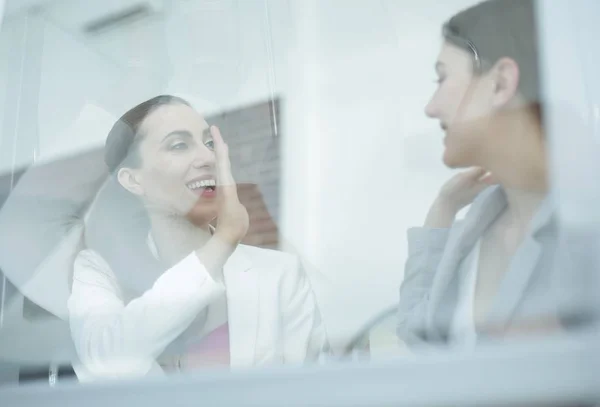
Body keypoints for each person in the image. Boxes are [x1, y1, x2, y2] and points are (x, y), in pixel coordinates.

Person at [67, 95, 325, 381]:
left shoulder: (281, 276)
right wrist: (224, 240)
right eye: (179, 145)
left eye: (209, 143)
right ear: (133, 180)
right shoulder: (99, 272)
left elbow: (314, 390)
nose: (206, 157)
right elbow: (107, 362)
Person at [397, 0, 585, 347]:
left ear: (500, 83)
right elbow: (419, 342)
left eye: (442, 78)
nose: (430, 107)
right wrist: (442, 209)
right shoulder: (477, 227)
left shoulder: (585, 221)